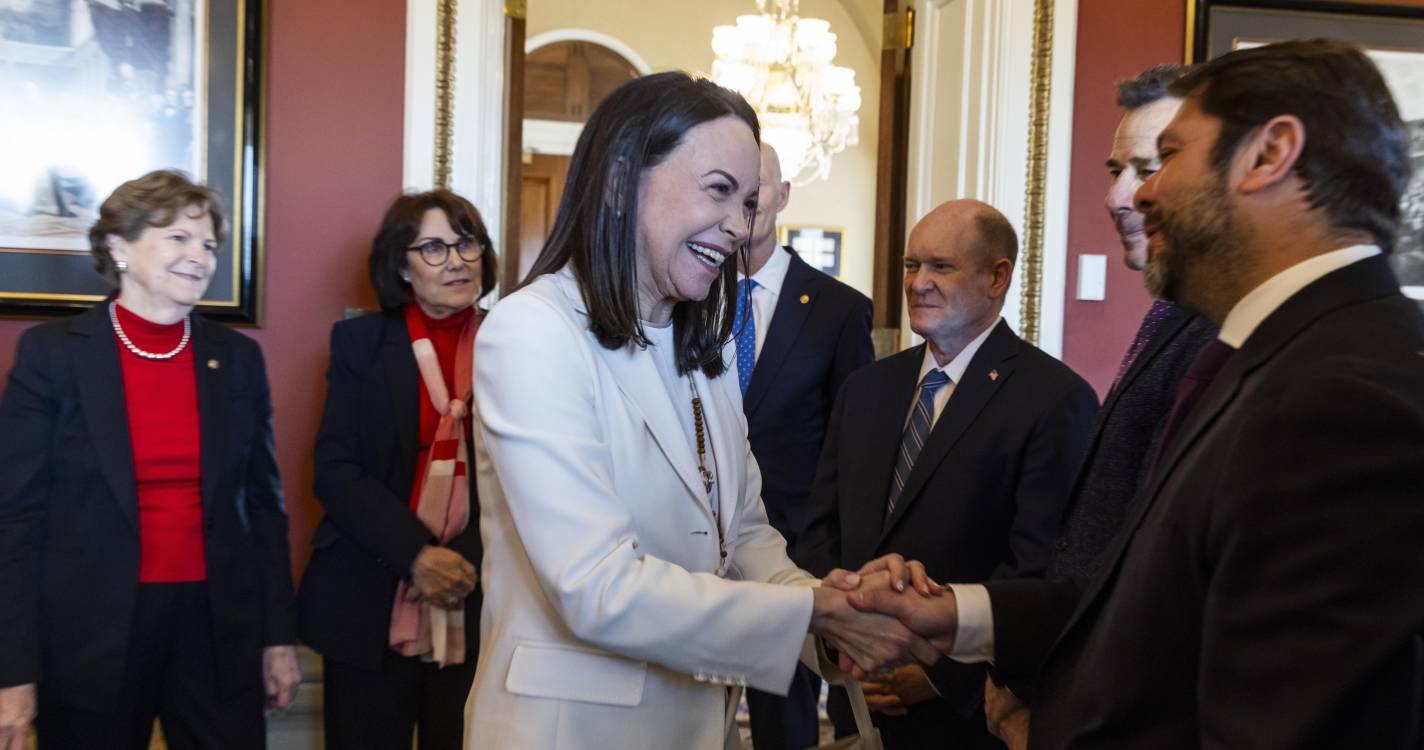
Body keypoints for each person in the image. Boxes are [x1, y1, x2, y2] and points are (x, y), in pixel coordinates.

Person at [850, 39, 1424, 747]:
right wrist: (957, 615)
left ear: (1271, 154)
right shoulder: (1264, 357)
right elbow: (1155, 595)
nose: (1137, 194)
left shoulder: (1345, 394)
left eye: (1169, 157)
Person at [464, 71, 924, 750]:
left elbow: (745, 536)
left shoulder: (701, 348)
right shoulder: (531, 332)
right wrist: (811, 608)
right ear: (621, 182)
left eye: (748, 203)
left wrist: (837, 613)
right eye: (719, 192)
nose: (740, 227)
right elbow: (597, 587)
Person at [913, 66, 1220, 748]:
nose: (1119, 195)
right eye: (1116, 168)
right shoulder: (1177, 313)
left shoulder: (1224, 331)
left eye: (1151, 165)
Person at [0, 170, 300, 750]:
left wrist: (277, 638)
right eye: (179, 238)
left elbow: (266, 509)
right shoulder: (52, 355)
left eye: (209, 244)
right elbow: (13, 519)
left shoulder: (236, 359)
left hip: (218, 627)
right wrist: (12, 669)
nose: (200, 256)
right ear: (119, 246)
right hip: (91, 631)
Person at [796, 198, 1099, 749]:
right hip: (856, 692)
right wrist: (849, 640)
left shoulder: (1056, 399)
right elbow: (822, 528)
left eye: (941, 266)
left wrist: (938, 674)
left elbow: (1041, 570)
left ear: (996, 277)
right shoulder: (866, 388)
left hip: (966, 716)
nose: (919, 283)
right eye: (912, 266)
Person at [296, 190, 496, 749]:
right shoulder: (360, 342)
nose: (456, 260)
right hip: (369, 595)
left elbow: (532, 479)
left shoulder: (513, 342)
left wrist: (462, 563)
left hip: (478, 596)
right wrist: (415, 554)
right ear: (400, 264)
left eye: (466, 243)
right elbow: (334, 469)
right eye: (433, 247)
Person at [735, 142, 875, 750]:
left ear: (783, 194)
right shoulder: (684, 297)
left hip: (791, 548)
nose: (745, 199)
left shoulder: (840, 311)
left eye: (757, 185)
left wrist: (827, 550)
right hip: (689, 547)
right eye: (728, 184)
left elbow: (851, 446)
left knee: (783, 717)